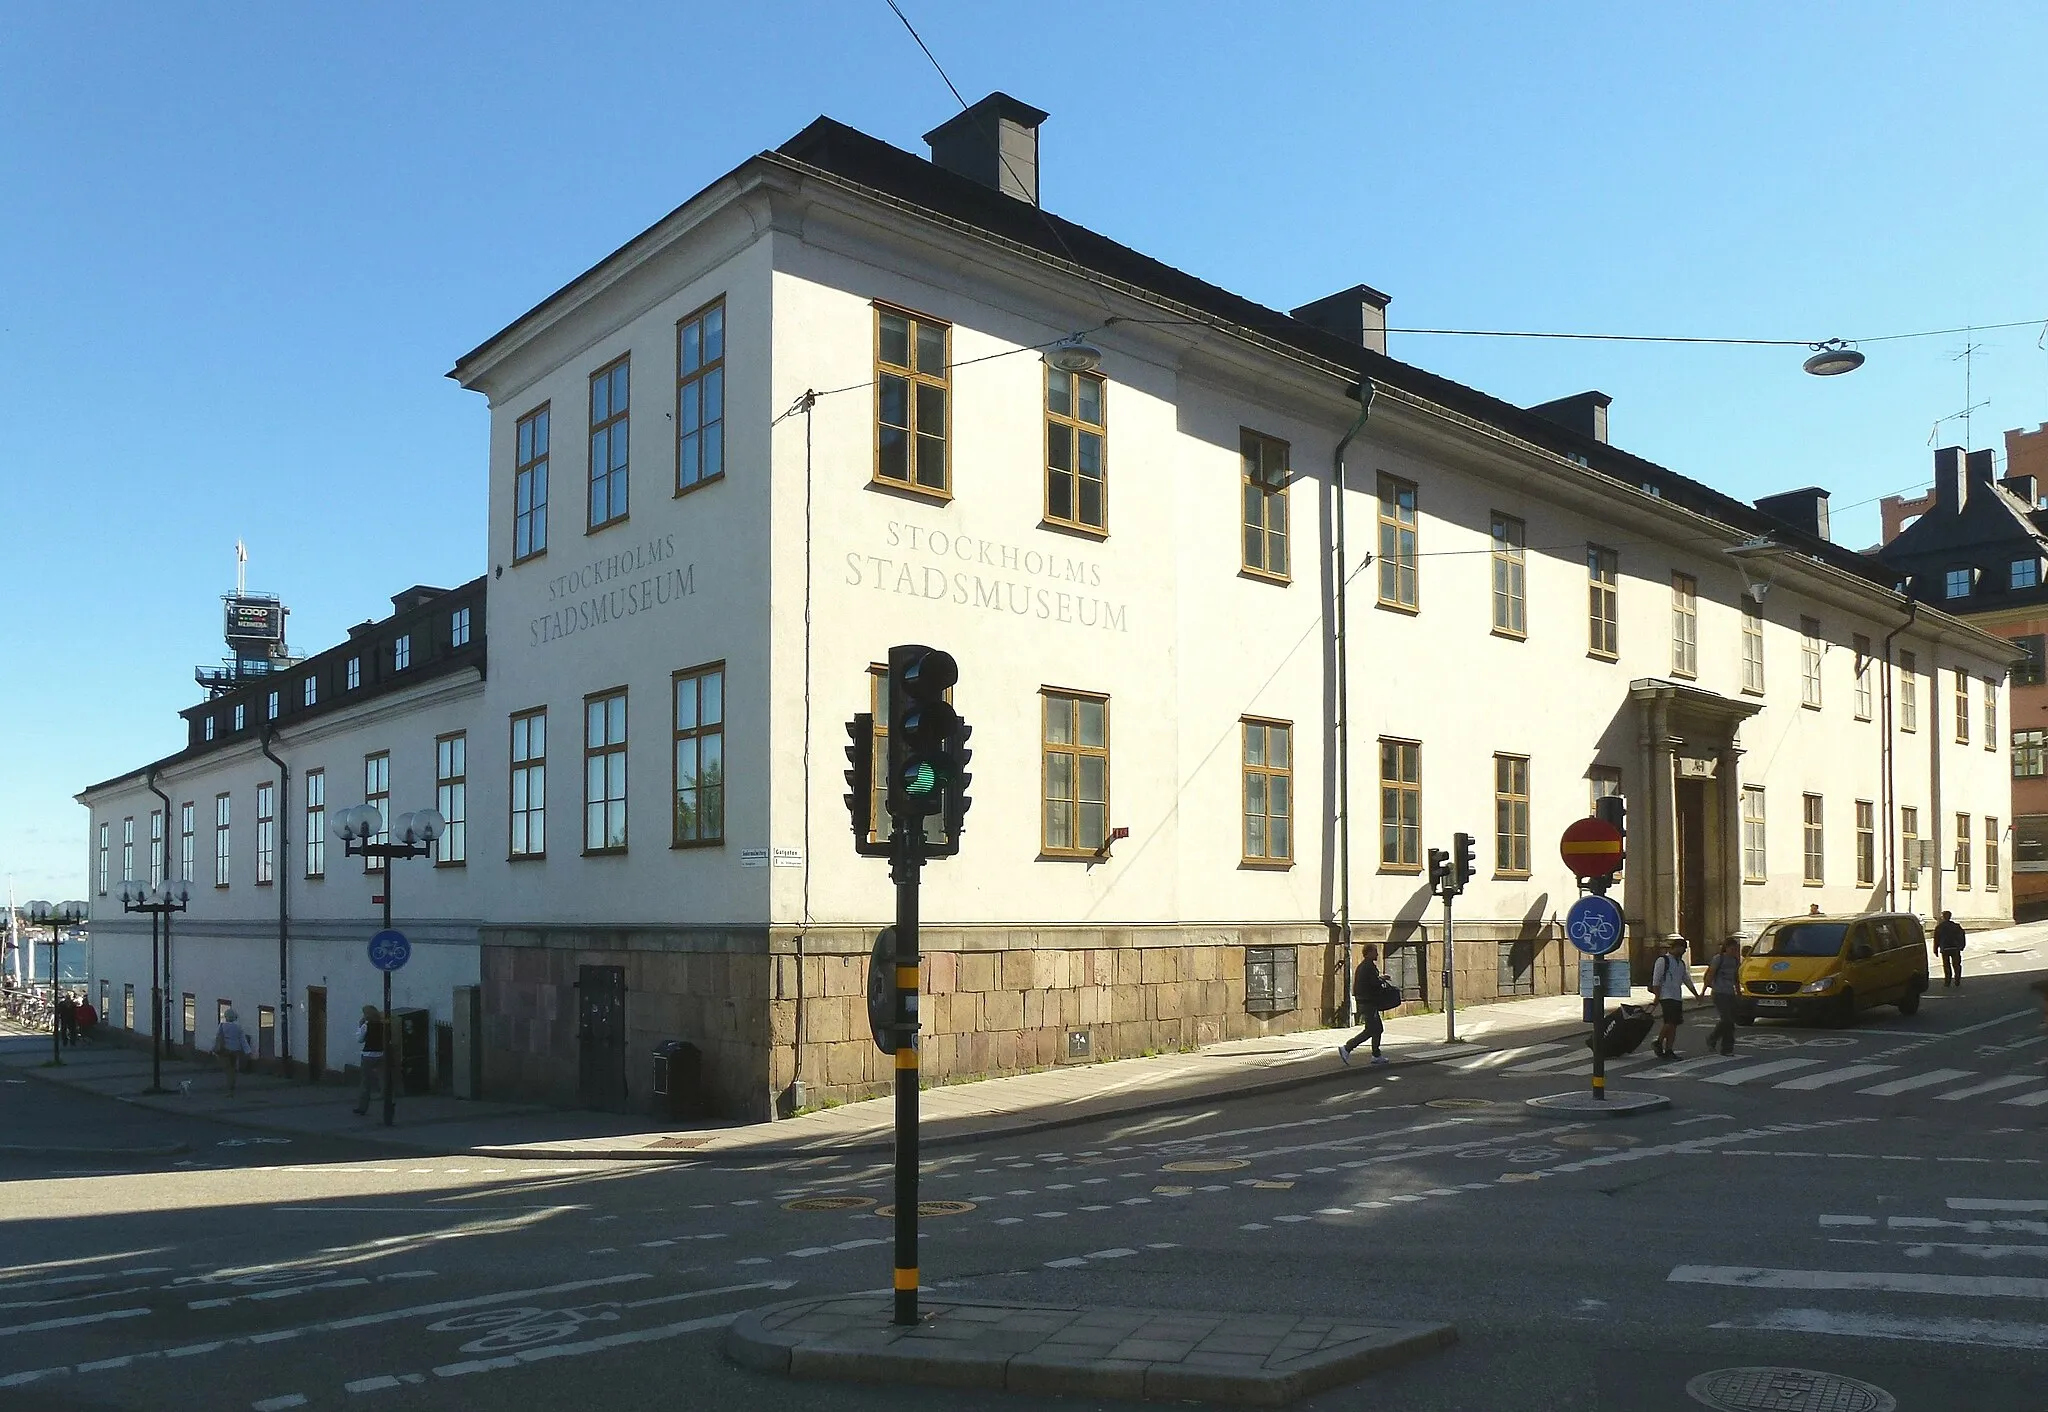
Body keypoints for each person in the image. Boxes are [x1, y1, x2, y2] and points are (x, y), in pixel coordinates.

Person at [1336, 943, 1391, 1066]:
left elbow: (1369, 982)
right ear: (1369, 953)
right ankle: (1347, 1048)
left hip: (1367, 1002)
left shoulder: (1365, 966)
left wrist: (1380, 978)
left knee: (1376, 1029)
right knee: (1372, 1030)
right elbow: (1373, 983)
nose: (1377, 954)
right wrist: (1383, 979)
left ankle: (1376, 1055)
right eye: (1375, 951)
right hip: (1368, 1003)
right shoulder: (1367, 966)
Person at [1650, 937, 1703, 1060]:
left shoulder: (1681, 963)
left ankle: (1669, 1049)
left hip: (1677, 996)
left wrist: (1696, 994)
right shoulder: (1663, 960)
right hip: (1666, 996)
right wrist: (1657, 996)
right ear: (1675, 947)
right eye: (1682, 949)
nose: (1683, 952)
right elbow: (1656, 980)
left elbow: (1687, 980)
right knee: (1670, 1022)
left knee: (1674, 1024)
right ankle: (1658, 1042)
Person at [1702, 938, 1743, 1057]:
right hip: (1719, 993)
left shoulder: (1735, 961)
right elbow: (1710, 975)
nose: (1734, 951)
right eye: (1732, 949)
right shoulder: (1718, 959)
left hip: (1730, 993)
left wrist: (1738, 992)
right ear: (1726, 948)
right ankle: (1712, 1038)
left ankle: (1727, 1048)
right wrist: (1702, 992)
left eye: (1736, 949)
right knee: (1727, 1019)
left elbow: (1736, 979)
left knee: (1730, 1022)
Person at [352, 1004, 386, 1116]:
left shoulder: (366, 1025)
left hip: (368, 1055)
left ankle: (363, 1107)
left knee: (366, 1082)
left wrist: (359, 1025)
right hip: (380, 1054)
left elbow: (359, 1039)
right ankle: (387, 1100)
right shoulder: (382, 1024)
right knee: (383, 1079)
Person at [212, 1008, 251, 1095]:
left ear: (226, 1016)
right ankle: (232, 1083)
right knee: (233, 1068)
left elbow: (217, 1037)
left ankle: (229, 1086)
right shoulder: (238, 1027)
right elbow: (243, 1040)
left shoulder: (222, 1025)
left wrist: (213, 1049)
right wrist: (247, 1051)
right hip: (235, 1050)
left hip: (225, 1050)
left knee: (227, 1068)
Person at [1933, 910, 1966, 987]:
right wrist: (1962, 946)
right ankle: (1957, 979)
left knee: (1946, 965)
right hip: (1955, 948)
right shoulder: (1956, 926)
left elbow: (1936, 939)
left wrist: (1935, 949)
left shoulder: (1939, 927)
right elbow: (1962, 936)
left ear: (1943, 917)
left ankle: (1947, 980)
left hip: (1945, 948)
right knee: (1956, 964)